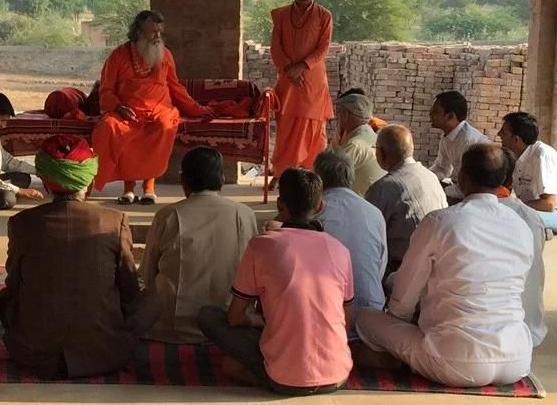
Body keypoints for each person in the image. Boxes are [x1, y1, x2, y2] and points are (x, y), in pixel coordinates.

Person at [356, 144, 534, 388]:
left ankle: (399, 358)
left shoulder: (441, 221)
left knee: (365, 318)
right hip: (517, 359)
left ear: (462, 176)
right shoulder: (520, 226)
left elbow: (404, 298)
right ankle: (404, 354)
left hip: (454, 361)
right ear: (503, 179)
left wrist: (398, 321)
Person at [0, 135, 160, 379]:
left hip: (34, 355)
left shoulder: (22, 223)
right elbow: (129, 292)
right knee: (156, 296)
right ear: (90, 179)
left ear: (44, 180)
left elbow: (13, 289)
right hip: (105, 354)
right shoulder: (114, 221)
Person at [197, 167, 353, 396]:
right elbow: (346, 320)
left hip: (284, 379)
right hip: (338, 375)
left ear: (280, 205)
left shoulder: (262, 246)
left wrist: (258, 321)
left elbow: (235, 316)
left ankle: (267, 373)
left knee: (209, 317)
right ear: (320, 206)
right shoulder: (340, 250)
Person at [91, 10, 214, 205]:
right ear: (139, 32)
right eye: (153, 32)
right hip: (126, 111)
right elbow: (106, 90)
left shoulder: (164, 54)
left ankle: (149, 188)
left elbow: (175, 86)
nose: (158, 36)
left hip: (159, 110)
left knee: (164, 127)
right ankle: (128, 189)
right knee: (111, 128)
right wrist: (119, 107)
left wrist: (197, 109)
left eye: (159, 31)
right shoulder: (118, 56)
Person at [141, 146, 258, 343]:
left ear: (183, 180)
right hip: (228, 325)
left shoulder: (168, 215)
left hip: (172, 328)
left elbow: (147, 273)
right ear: (221, 179)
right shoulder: (244, 214)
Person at [268, 0, 334, 189]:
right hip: (287, 79)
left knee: (312, 129)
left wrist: (302, 67)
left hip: (312, 80)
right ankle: (281, 172)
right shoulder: (281, 15)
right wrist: (289, 68)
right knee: (286, 126)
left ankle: (311, 175)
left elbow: (323, 48)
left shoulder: (324, 15)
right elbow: (276, 47)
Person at [313, 149, 387, 338]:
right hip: (371, 316)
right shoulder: (373, 212)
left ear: (318, 178)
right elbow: (379, 265)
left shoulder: (313, 214)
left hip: (329, 320)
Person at [364, 125, 446, 278]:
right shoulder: (430, 176)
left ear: (380, 153)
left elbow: (365, 236)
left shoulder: (384, 187)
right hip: (438, 263)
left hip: (400, 268)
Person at [499, 111, 557, 235]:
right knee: (500, 213)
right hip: (533, 210)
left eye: (504, 132)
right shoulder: (515, 155)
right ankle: (540, 229)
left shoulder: (542, 156)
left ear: (516, 139)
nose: (498, 134)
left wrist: (516, 206)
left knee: (513, 218)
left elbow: (549, 204)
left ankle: (539, 228)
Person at [499, 148, 547, 347]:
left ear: (464, 177)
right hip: (528, 333)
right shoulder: (532, 218)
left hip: (465, 342)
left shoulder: (451, 219)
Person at [428, 90, 489, 200]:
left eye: (435, 112)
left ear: (450, 116)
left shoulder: (470, 142)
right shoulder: (448, 136)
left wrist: (438, 189)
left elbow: (468, 187)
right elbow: (442, 168)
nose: (430, 115)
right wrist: (422, 178)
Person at [331, 93, 386, 195]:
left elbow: (330, 175)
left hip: (362, 201)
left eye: (339, 112)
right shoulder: (373, 136)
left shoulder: (355, 144)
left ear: (346, 115)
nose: (337, 116)